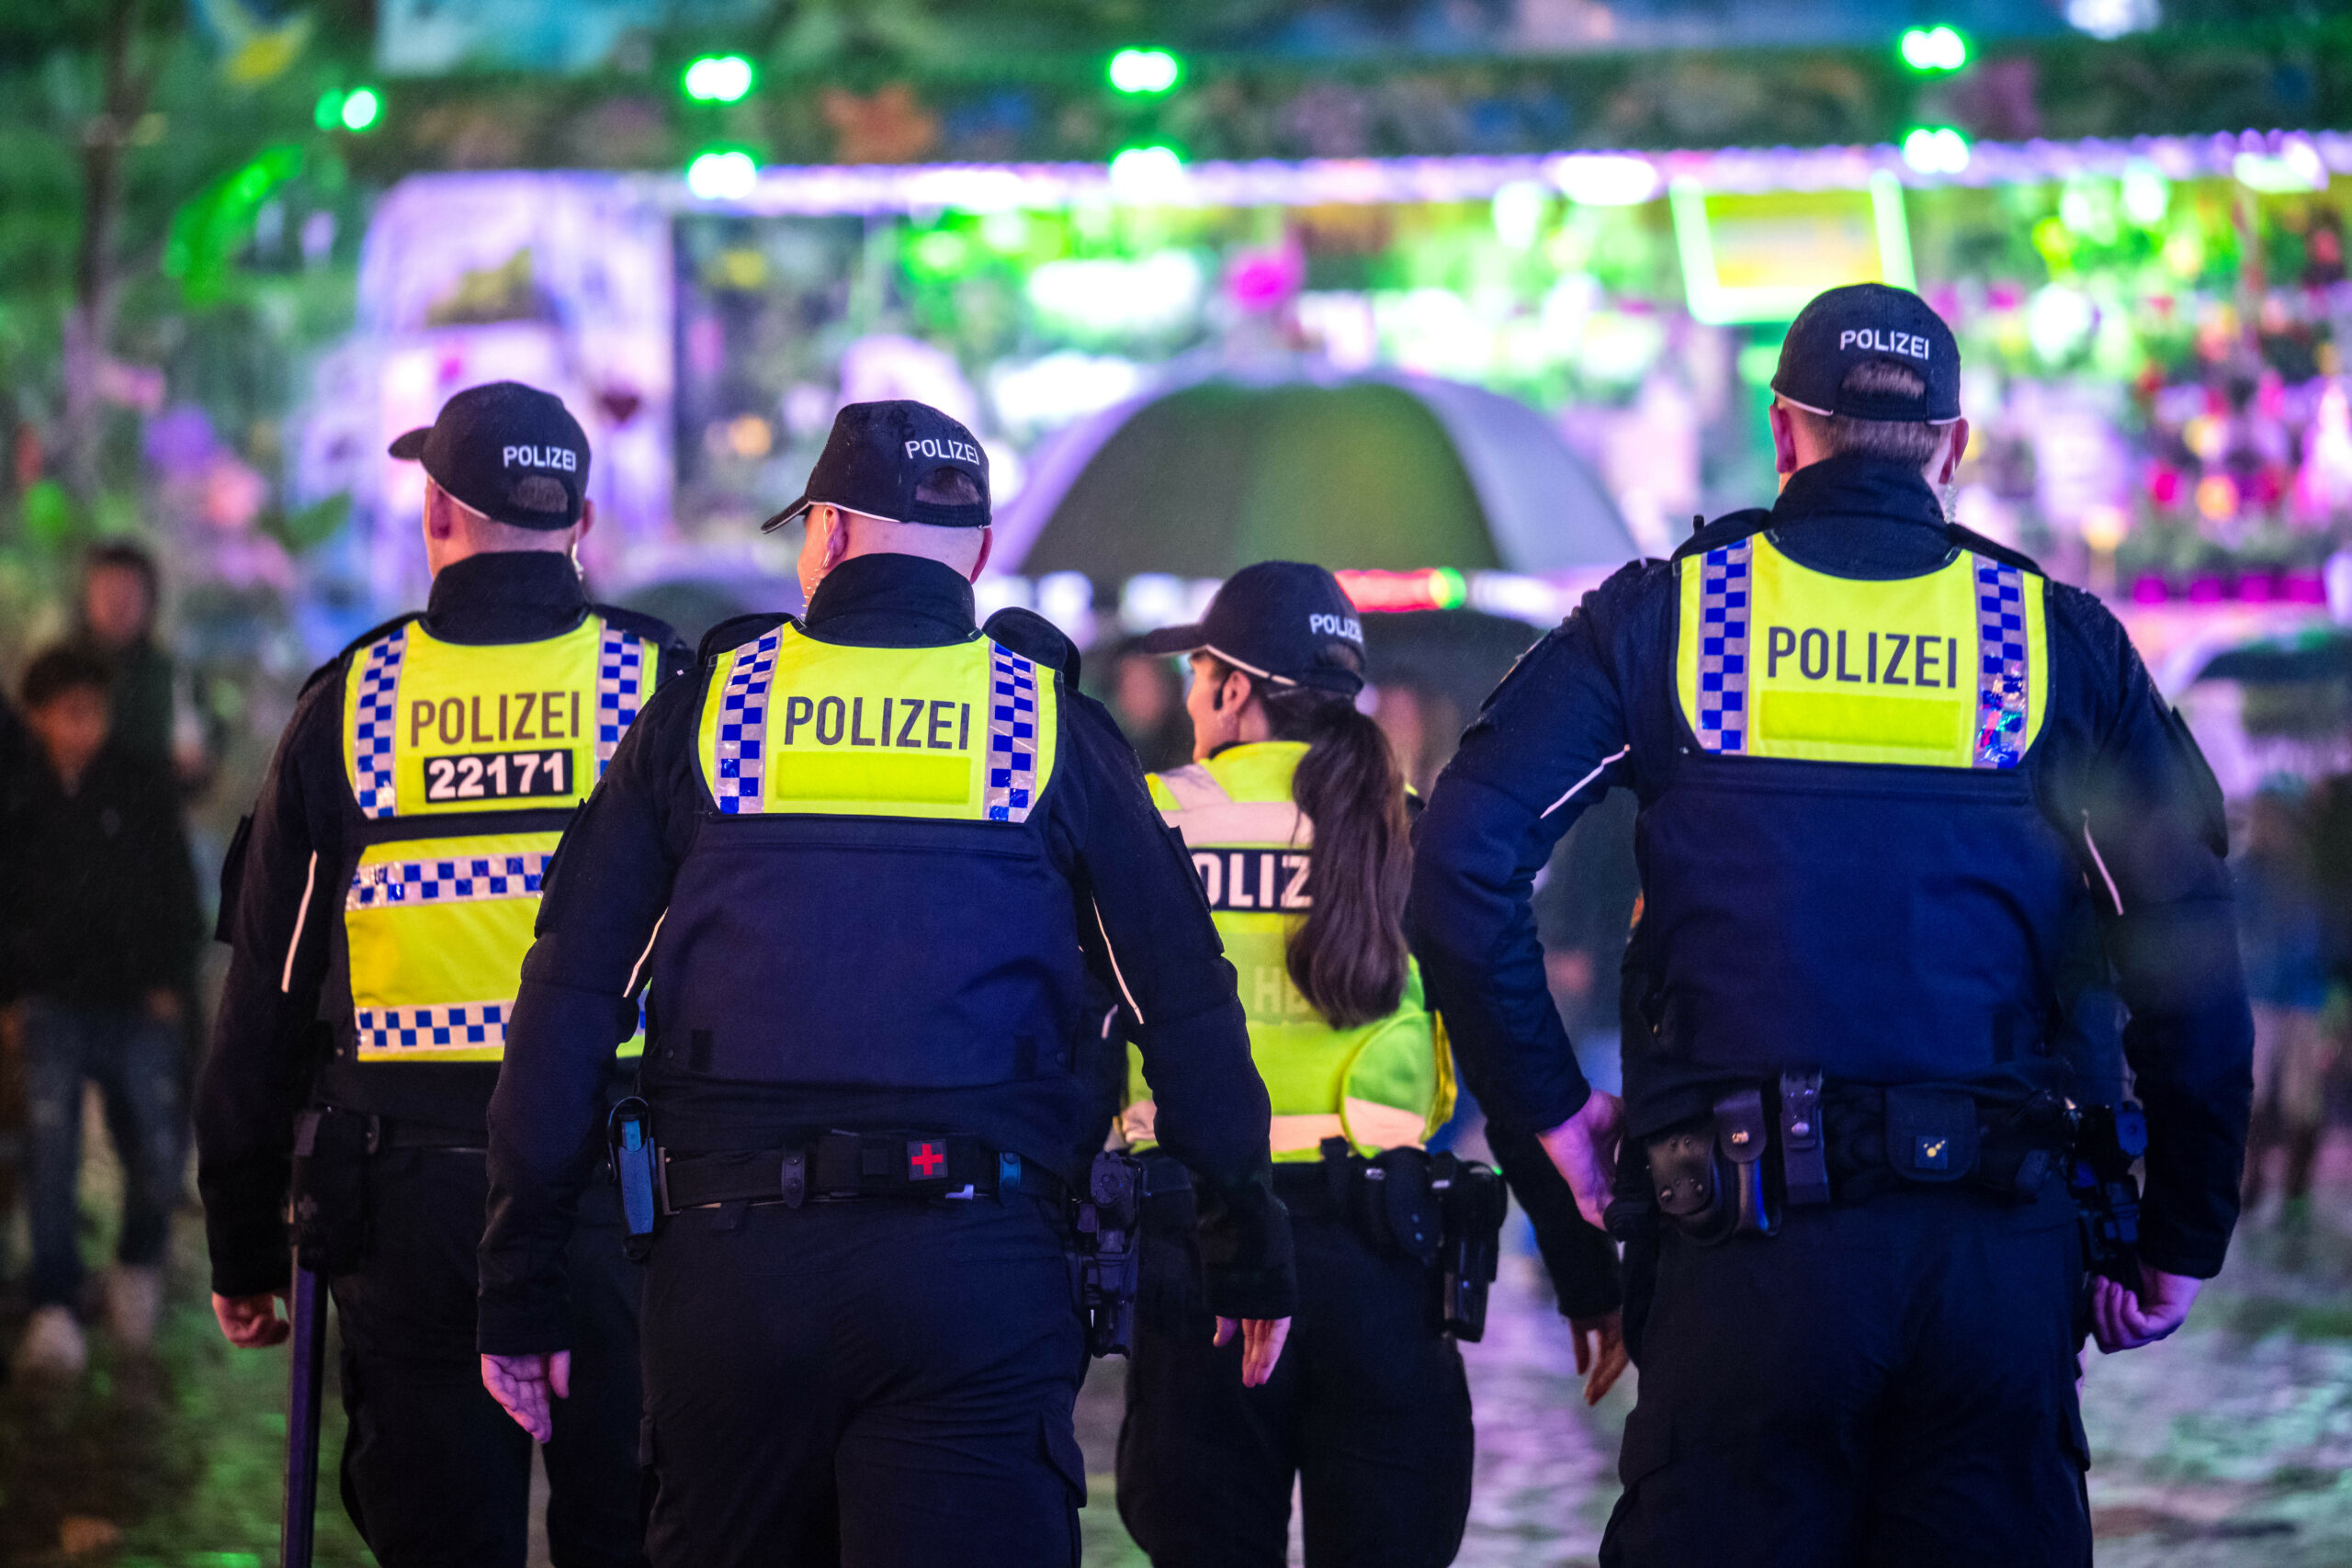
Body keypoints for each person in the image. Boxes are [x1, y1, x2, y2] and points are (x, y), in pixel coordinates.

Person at [1412, 282, 2254, 1564]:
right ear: (1954, 447)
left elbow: (1461, 867)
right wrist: (2180, 1230)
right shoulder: (2054, 641)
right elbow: (2186, 944)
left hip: (1740, 1265)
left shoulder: (1669, 619)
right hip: (1994, 1259)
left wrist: (1550, 1110)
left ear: (1783, 432)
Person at [474, 400, 1297, 1568]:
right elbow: (1188, 1009)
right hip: (976, 1283)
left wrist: (518, 1278)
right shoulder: (1045, 727)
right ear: (976, 553)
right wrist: (1247, 1241)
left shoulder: (708, 717)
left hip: (732, 1278)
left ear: (833, 538)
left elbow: (561, 1011)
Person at [196, 382, 688, 1568]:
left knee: (436, 1535)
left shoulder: (351, 704)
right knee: (630, 1529)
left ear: (437, 512)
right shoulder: (662, 689)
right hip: (623, 1195)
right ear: (579, 519)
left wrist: (241, 1237)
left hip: (411, 1205)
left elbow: (266, 998)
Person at [1111, 562, 1625, 1568]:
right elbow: (1503, 1054)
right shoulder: (1418, 831)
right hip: (1388, 1269)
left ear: (1230, 690)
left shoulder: (1145, 820)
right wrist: (1581, 1274)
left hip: (1198, 1259)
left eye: (1198, 673)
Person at [1, 646, 201, 1374]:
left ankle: (136, 1266)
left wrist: (170, 979)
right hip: (52, 1000)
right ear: (39, 717)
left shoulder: (141, 783)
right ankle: (56, 1303)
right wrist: (12, 994)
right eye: (69, 711)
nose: (83, 725)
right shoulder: (20, 794)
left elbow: (178, 885)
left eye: (94, 710)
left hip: (136, 1000)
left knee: (155, 1145)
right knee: (52, 1153)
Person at [2236, 777, 2335, 1228]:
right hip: (2264, 993)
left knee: (2301, 1096)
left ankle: (2295, 1188)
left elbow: (2326, 933)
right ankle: (2252, 1180)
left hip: (2303, 994)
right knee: (2255, 1090)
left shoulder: (2311, 871)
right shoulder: (2248, 869)